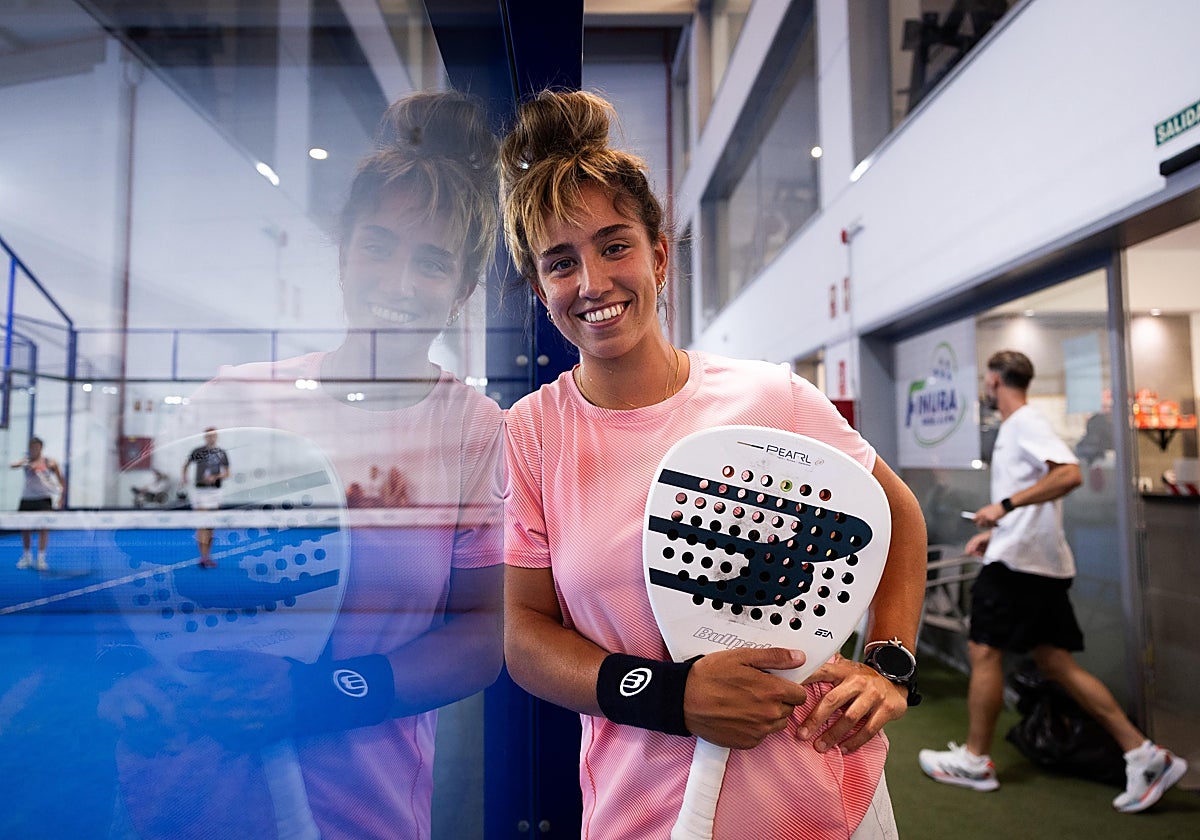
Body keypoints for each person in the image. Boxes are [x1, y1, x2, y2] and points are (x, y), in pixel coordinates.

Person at [500, 89, 928, 839]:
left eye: (615, 245)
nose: (593, 283)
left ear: (658, 254)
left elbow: (896, 513)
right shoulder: (532, 436)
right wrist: (669, 696)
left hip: (829, 798)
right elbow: (523, 634)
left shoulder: (774, 397)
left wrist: (887, 665)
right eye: (561, 263)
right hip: (647, 815)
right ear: (541, 290)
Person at [99, 91, 505, 839]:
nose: (399, 282)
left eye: (432, 261)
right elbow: (145, 572)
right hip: (191, 794)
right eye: (378, 245)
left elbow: (481, 640)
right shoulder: (235, 397)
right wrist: (139, 678)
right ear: (344, 251)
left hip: (362, 811)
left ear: (462, 293)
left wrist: (324, 693)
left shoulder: (475, 433)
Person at [918, 350, 1187, 813]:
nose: (986, 385)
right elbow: (1042, 494)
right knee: (1054, 661)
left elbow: (1069, 474)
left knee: (983, 650)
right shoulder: (1017, 426)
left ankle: (975, 760)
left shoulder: (1024, 422)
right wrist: (997, 531)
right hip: (1028, 559)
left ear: (997, 380)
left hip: (1021, 567)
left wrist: (1004, 507)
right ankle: (1143, 754)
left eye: (987, 378)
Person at [11, 436, 66, 571]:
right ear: (30, 448)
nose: (34, 449)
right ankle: (27, 556)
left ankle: (41, 558)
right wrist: (25, 464)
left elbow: (61, 481)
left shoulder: (50, 462)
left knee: (43, 528)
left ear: (41, 448)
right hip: (27, 499)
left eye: (37, 447)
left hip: (44, 499)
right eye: (32, 447)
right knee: (25, 529)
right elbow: (13, 465)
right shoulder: (26, 461)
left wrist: (61, 498)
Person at [181, 426, 229, 568]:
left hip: (215, 493)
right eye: (208, 436)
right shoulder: (198, 451)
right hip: (200, 492)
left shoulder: (221, 453)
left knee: (211, 526)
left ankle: (208, 555)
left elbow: (227, 473)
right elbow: (186, 465)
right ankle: (203, 557)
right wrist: (184, 477)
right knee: (202, 524)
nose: (211, 438)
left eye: (213, 436)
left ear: (216, 437)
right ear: (205, 437)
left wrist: (216, 477)